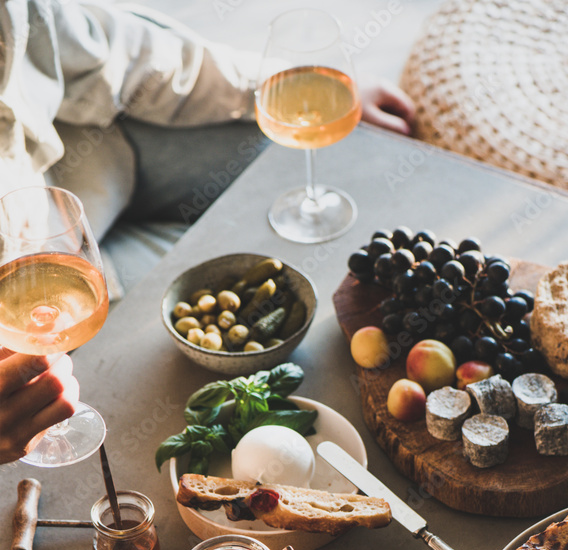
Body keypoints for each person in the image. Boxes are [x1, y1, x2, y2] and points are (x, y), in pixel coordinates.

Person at [0, 0, 415, 463]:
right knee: (153, 374)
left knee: (276, 151)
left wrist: (293, 88)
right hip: (35, 304)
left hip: (85, 172)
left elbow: (108, 49)